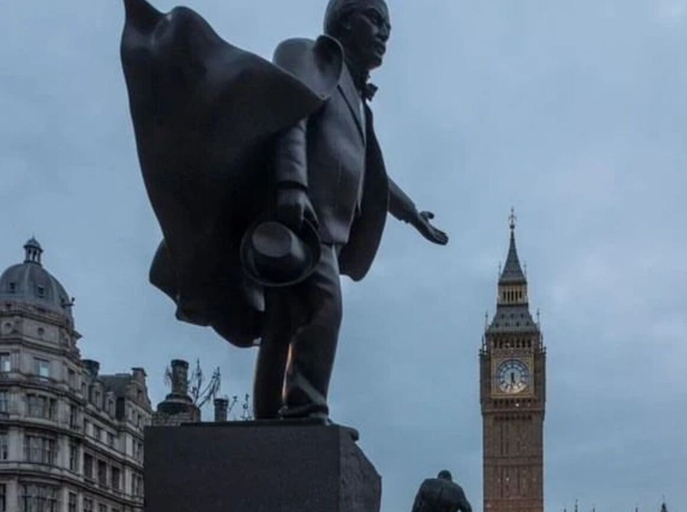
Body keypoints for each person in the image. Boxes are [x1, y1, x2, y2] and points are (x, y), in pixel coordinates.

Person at [121, 0, 448, 423]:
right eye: (376, 20)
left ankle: (269, 415)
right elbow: (288, 113)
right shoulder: (307, 55)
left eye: (388, 25)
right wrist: (292, 185)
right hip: (303, 216)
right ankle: (307, 409)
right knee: (323, 307)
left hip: (328, 226)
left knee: (282, 320)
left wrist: (412, 213)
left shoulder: (356, 99)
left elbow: (374, 178)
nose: (385, 33)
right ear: (345, 22)